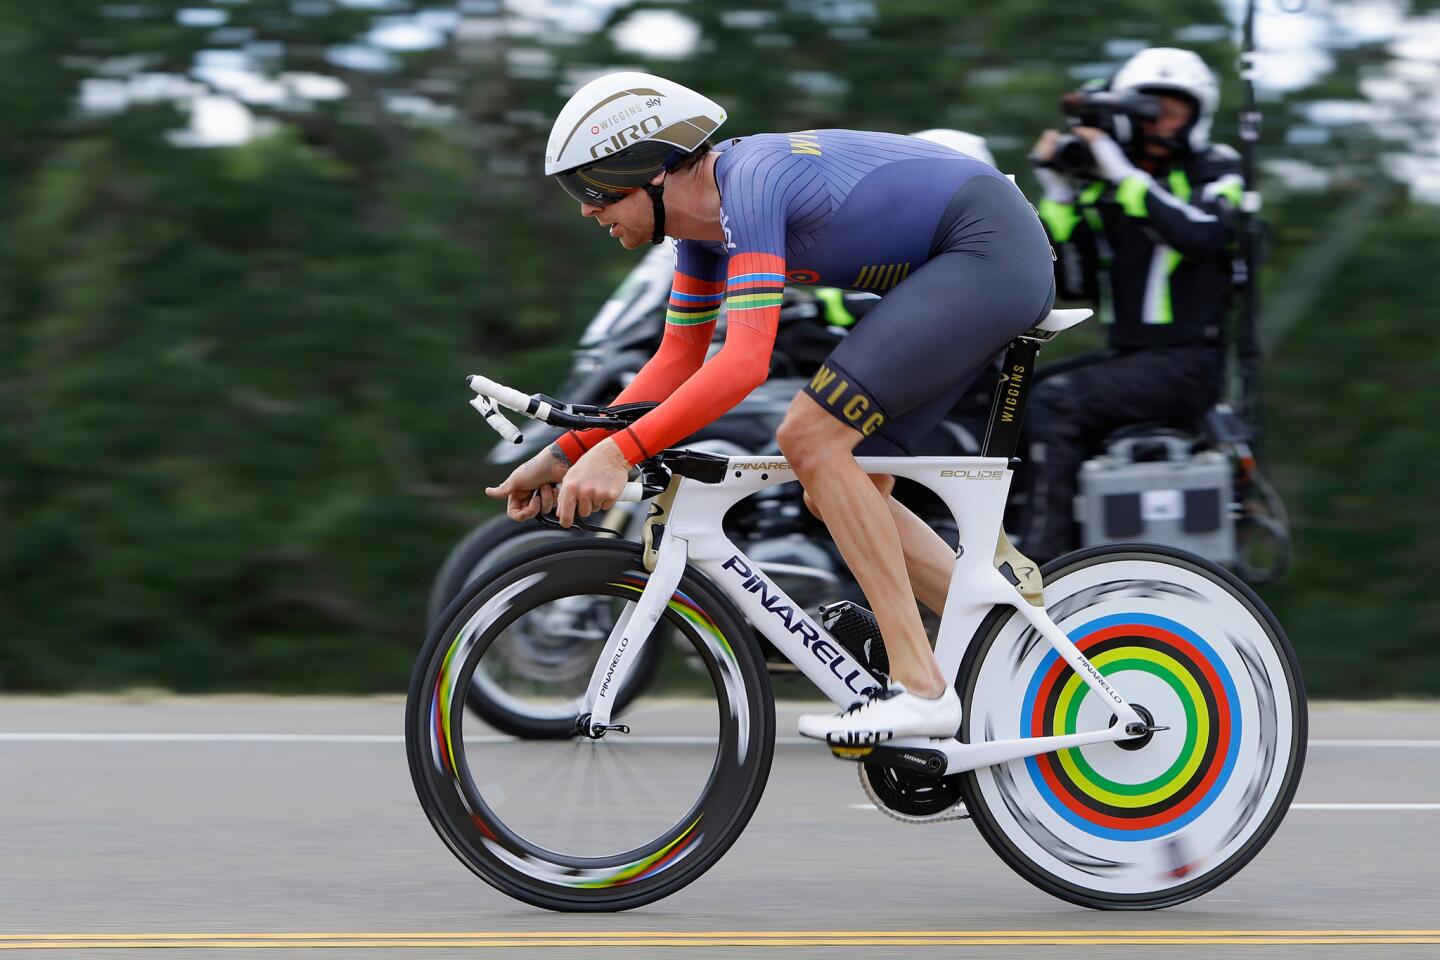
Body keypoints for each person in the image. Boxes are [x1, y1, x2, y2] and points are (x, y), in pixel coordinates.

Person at [487, 73, 1054, 743]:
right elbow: (675, 362)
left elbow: (745, 362)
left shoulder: (749, 182)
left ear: (646, 169)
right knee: (842, 485)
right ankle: (1022, 655)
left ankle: (922, 687)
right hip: (961, 264)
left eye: (592, 189)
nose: (586, 210)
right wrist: (563, 453)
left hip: (989, 252)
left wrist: (623, 451)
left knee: (809, 440)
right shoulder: (699, 237)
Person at [1019, 47, 1244, 563]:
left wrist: (1122, 174)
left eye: (1173, 111)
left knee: (1057, 404)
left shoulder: (1216, 166)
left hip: (1186, 363)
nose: (1160, 123)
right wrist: (1057, 191)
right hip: (1132, 358)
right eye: (1148, 111)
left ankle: (1043, 560)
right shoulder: (1107, 184)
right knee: (1014, 392)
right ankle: (1020, 536)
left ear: (1197, 115)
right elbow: (1069, 280)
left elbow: (1205, 233)